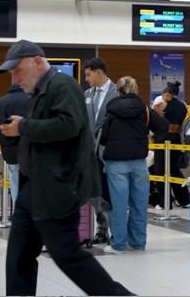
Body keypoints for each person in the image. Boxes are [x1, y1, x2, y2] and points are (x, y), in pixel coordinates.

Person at [0, 40, 131, 296]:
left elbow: (68, 125)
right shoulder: (40, 91)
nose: (15, 79)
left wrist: (23, 126)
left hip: (58, 187)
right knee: (19, 255)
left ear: (38, 62)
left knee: (67, 254)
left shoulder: (62, 85)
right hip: (35, 187)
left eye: (18, 70)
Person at [99, 76, 168, 254]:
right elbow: (163, 126)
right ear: (135, 89)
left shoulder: (112, 110)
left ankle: (119, 244)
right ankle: (138, 243)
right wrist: (147, 136)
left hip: (116, 163)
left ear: (118, 91)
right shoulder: (144, 109)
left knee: (119, 205)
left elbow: (104, 137)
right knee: (139, 204)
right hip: (139, 162)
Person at [84, 57, 118, 245]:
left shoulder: (117, 92)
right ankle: (101, 229)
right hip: (91, 152)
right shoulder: (87, 94)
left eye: (89, 75)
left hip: (109, 150)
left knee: (112, 192)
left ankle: (117, 231)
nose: (87, 79)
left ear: (99, 72)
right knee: (96, 192)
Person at [151, 81, 190, 208]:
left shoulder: (162, 106)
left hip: (163, 140)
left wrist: (158, 113)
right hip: (175, 140)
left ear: (168, 94)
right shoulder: (182, 106)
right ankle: (185, 200)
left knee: (160, 172)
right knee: (174, 170)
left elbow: (158, 123)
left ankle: (165, 203)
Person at [0, 83, 29, 206]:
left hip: (10, 151)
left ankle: (19, 210)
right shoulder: (31, 100)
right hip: (30, 149)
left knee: (15, 181)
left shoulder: (0, 103)